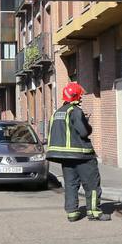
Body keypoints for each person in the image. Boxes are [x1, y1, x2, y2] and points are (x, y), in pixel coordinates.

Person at [46, 82, 107, 222]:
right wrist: (87, 124)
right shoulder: (75, 111)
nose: (81, 97)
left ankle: (72, 213)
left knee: (71, 185)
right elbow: (84, 132)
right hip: (82, 156)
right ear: (76, 96)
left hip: (65, 158)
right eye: (80, 95)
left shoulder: (57, 113)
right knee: (92, 184)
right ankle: (94, 212)